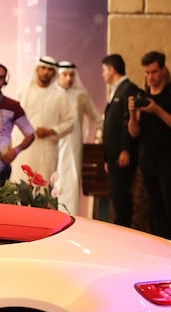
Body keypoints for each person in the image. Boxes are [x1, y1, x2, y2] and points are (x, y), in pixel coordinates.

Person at [128, 51, 171, 242]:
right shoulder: (142, 96)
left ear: (163, 70)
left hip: (170, 162)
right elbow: (134, 132)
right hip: (148, 162)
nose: (150, 77)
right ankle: (163, 251)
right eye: (147, 73)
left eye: (153, 72)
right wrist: (132, 113)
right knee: (155, 210)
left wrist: (157, 110)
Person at [10, 56, 73, 183]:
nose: (46, 72)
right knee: (20, 183)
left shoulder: (60, 95)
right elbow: (12, 117)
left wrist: (51, 131)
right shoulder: (23, 91)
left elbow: (70, 122)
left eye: (50, 69)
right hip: (24, 147)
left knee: (44, 186)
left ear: (54, 73)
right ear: (37, 69)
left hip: (47, 148)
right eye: (43, 68)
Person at [55, 61, 101, 214]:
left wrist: (100, 134)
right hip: (52, 147)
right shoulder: (51, 93)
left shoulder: (80, 95)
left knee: (71, 182)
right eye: (65, 74)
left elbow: (96, 117)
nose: (68, 78)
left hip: (73, 148)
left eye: (71, 75)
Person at [101, 54, 140, 228]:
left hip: (121, 154)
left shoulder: (128, 89)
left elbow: (126, 123)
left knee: (122, 197)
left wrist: (126, 149)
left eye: (103, 70)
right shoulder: (117, 89)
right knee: (117, 196)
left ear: (112, 70)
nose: (103, 75)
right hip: (113, 155)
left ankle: (124, 231)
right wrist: (106, 158)